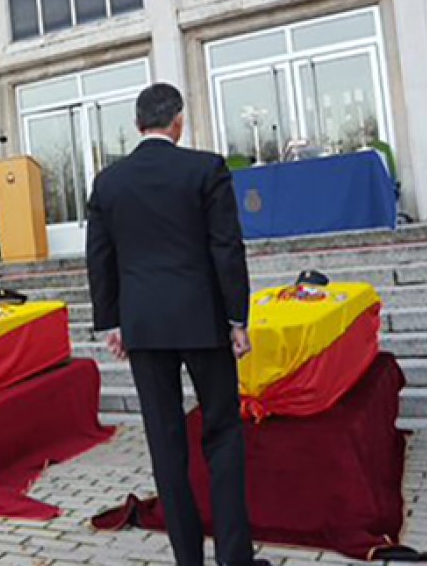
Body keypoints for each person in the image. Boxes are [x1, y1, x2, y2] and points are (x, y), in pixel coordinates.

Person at [86, 83, 267, 566]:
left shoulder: (108, 182)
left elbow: (99, 259)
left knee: (165, 443)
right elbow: (226, 247)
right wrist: (237, 319)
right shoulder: (205, 168)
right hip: (203, 321)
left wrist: (112, 323)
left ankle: (188, 559)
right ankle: (234, 557)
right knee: (223, 434)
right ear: (178, 121)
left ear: (137, 125)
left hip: (144, 326)